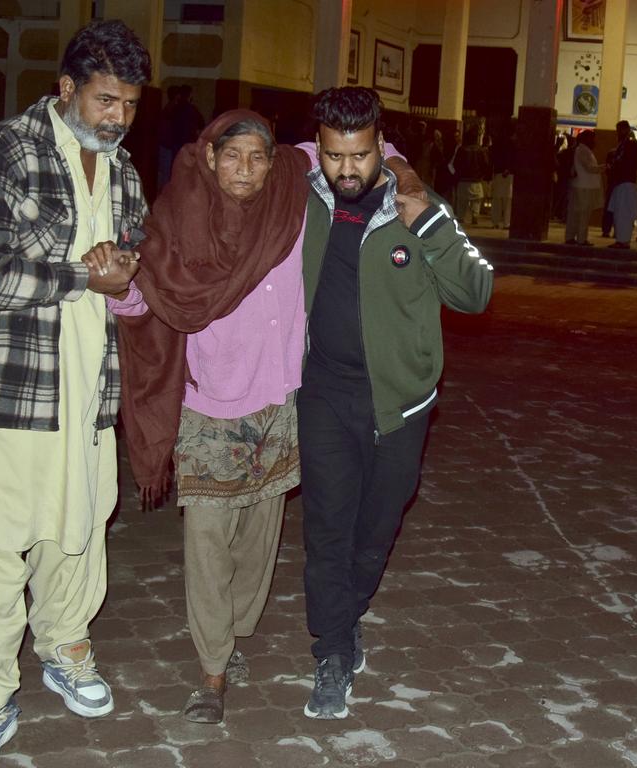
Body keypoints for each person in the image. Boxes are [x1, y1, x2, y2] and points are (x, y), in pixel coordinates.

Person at [106, 107, 422, 725]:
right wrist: (118, 288)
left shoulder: (292, 192)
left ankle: (237, 630)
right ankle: (212, 668)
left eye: (257, 156)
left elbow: (363, 150)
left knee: (258, 542)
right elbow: (149, 291)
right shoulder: (176, 217)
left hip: (281, 399)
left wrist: (407, 179)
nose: (245, 170)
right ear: (207, 156)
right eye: (231, 156)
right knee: (207, 543)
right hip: (208, 405)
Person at [0, 20, 150, 768]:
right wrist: (84, 275)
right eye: (105, 99)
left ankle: (65, 648)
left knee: (76, 533)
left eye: (129, 104)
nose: (117, 116)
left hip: (85, 398)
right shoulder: (0, 152)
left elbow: (134, 257)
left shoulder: (123, 171)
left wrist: (124, 267)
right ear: (66, 89)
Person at [298, 87, 493, 719]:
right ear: (318, 148)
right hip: (324, 392)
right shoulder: (304, 202)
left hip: (400, 404)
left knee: (375, 529)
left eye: (358, 155)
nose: (346, 170)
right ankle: (332, 649)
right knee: (327, 526)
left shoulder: (419, 206)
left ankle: (344, 618)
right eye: (333, 156)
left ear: (383, 146)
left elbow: (477, 292)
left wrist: (430, 225)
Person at [564, 130, 603, 246]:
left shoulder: (581, 150)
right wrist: (603, 167)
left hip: (580, 185)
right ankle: (581, 239)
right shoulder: (583, 151)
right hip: (585, 187)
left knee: (575, 213)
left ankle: (570, 237)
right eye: (593, 138)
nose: (595, 141)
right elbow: (589, 168)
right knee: (583, 214)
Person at [606, 120, 637, 249]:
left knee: (623, 212)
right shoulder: (627, 143)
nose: (617, 133)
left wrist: (612, 167)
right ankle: (622, 239)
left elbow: (622, 162)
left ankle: (623, 240)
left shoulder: (629, 144)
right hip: (623, 182)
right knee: (621, 212)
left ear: (624, 129)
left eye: (618, 130)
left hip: (624, 182)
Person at [454, 126, 490, 226]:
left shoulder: (462, 149)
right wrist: (482, 175)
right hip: (476, 180)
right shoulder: (481, 150)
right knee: (476, 201)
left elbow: (456, 163)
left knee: (462, 201)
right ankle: (475, 216)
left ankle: (461, 217)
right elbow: (485, 164)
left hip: (463, 179)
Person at [490, 123, 515, 229]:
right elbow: (514, 159)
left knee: (497, 199)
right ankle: (506, 222)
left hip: (498, 173)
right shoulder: (514, 144)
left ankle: (495, 222)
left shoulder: (497, 143)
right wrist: (508, 169)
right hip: (509, 175)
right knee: (508, 201)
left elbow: (493, 158)